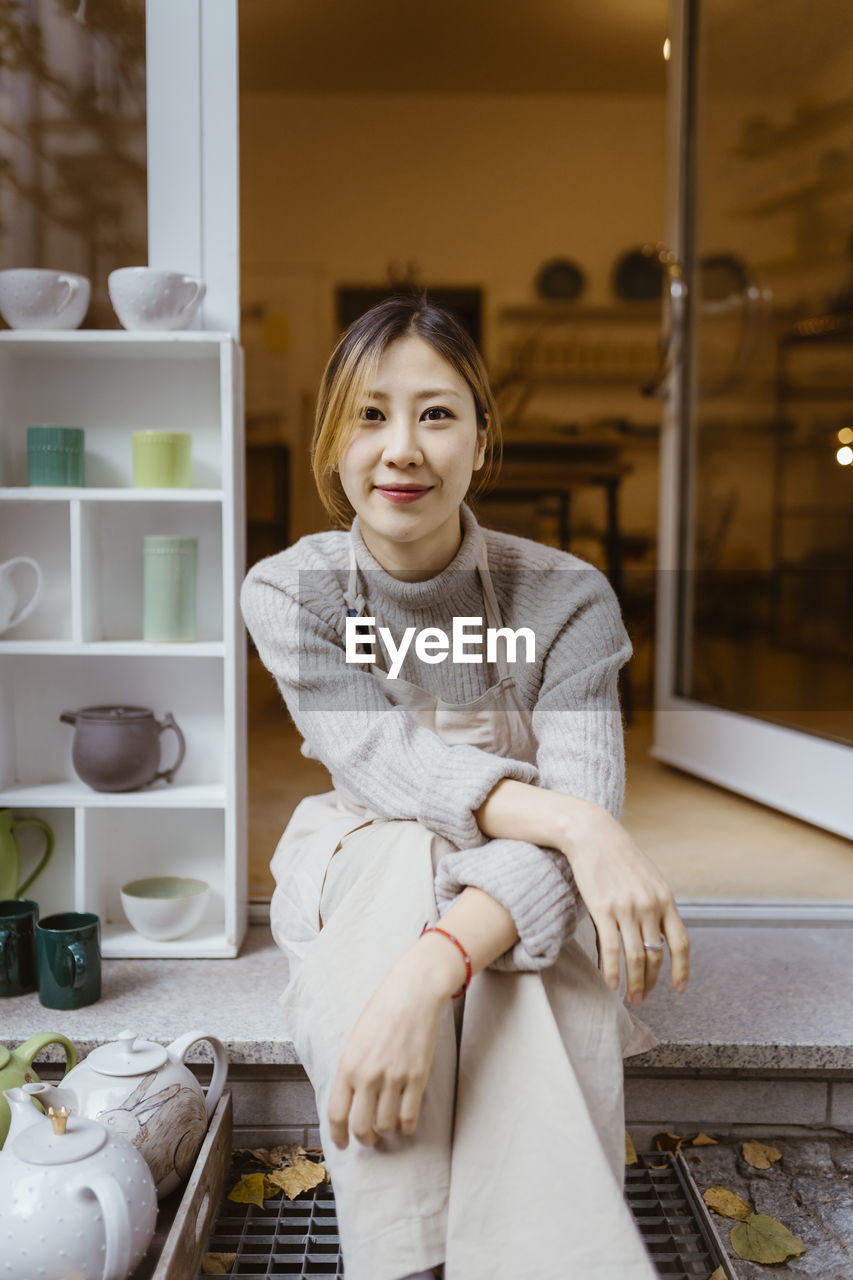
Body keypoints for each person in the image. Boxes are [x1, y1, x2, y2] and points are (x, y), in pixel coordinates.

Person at [240, 295, 690, 1280]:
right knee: (409, 846)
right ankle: (406, 1259)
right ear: (332, 441)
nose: (401, 447)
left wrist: (429, 967)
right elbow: (391, 769)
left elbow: (558, 845)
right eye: (369, 413)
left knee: (530, 972)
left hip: (517, 871)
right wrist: (578, 822)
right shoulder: (292, 588)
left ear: (482, 439)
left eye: (436, 413)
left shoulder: (565, 594)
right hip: (364, 847)